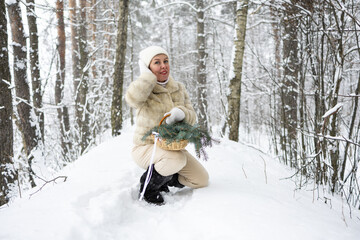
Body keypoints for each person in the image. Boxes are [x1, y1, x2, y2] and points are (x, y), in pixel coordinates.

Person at [125, 46, 209, 205]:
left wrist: (182, 113)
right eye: (157, 62)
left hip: (171, 148)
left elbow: (192, 115)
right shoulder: (145, 88)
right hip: (146, 147)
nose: (163, 66)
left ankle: (166, 177)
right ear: (148, 67)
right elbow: (132, 100)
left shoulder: (178, 88)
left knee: (201, 179)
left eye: (166, 61)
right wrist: (147, 78)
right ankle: (149, 187)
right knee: (176, 160)